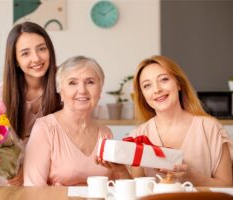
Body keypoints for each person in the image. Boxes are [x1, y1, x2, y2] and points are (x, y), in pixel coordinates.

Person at [97, 55, 233, 186]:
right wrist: (121, 170)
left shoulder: (210, 128)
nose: (157, 89)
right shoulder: (137, 137)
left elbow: (227, 186)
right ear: (143, 95)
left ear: (178, 84)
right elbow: (137, 191)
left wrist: (192, 177)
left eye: (164, 80)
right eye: (147, 85)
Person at [0, 22, 62, 199]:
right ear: (16, 61)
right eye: (25, 53)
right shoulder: (2, 93)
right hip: (6, 167)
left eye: (41, 49)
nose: (36, 58)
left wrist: (27, 169)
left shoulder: (63, 86)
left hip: (45, 165)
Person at [23, 56, 116, 186]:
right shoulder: (44, 128)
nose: (82, 90)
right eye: (72, 83)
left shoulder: (106, 133)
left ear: (100, 91)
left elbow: (115, 187)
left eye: (90, 82)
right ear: (60, 91)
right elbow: (33, 189)